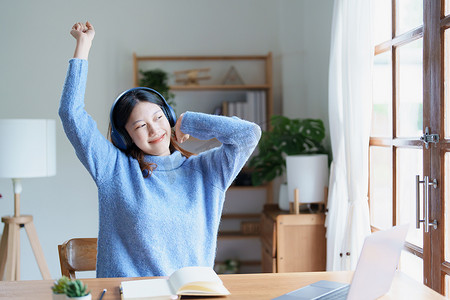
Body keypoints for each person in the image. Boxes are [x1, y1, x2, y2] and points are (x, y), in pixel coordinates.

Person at [59, 21, 261, 278]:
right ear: (126, 137)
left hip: (190, 295)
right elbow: (71, 114)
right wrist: (83, 46)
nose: (154, 130)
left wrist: (189, 122)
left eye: (158, 117)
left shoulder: (206, 171)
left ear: (169, 116)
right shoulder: (114, 170)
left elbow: (248, 135)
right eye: (140, 125)